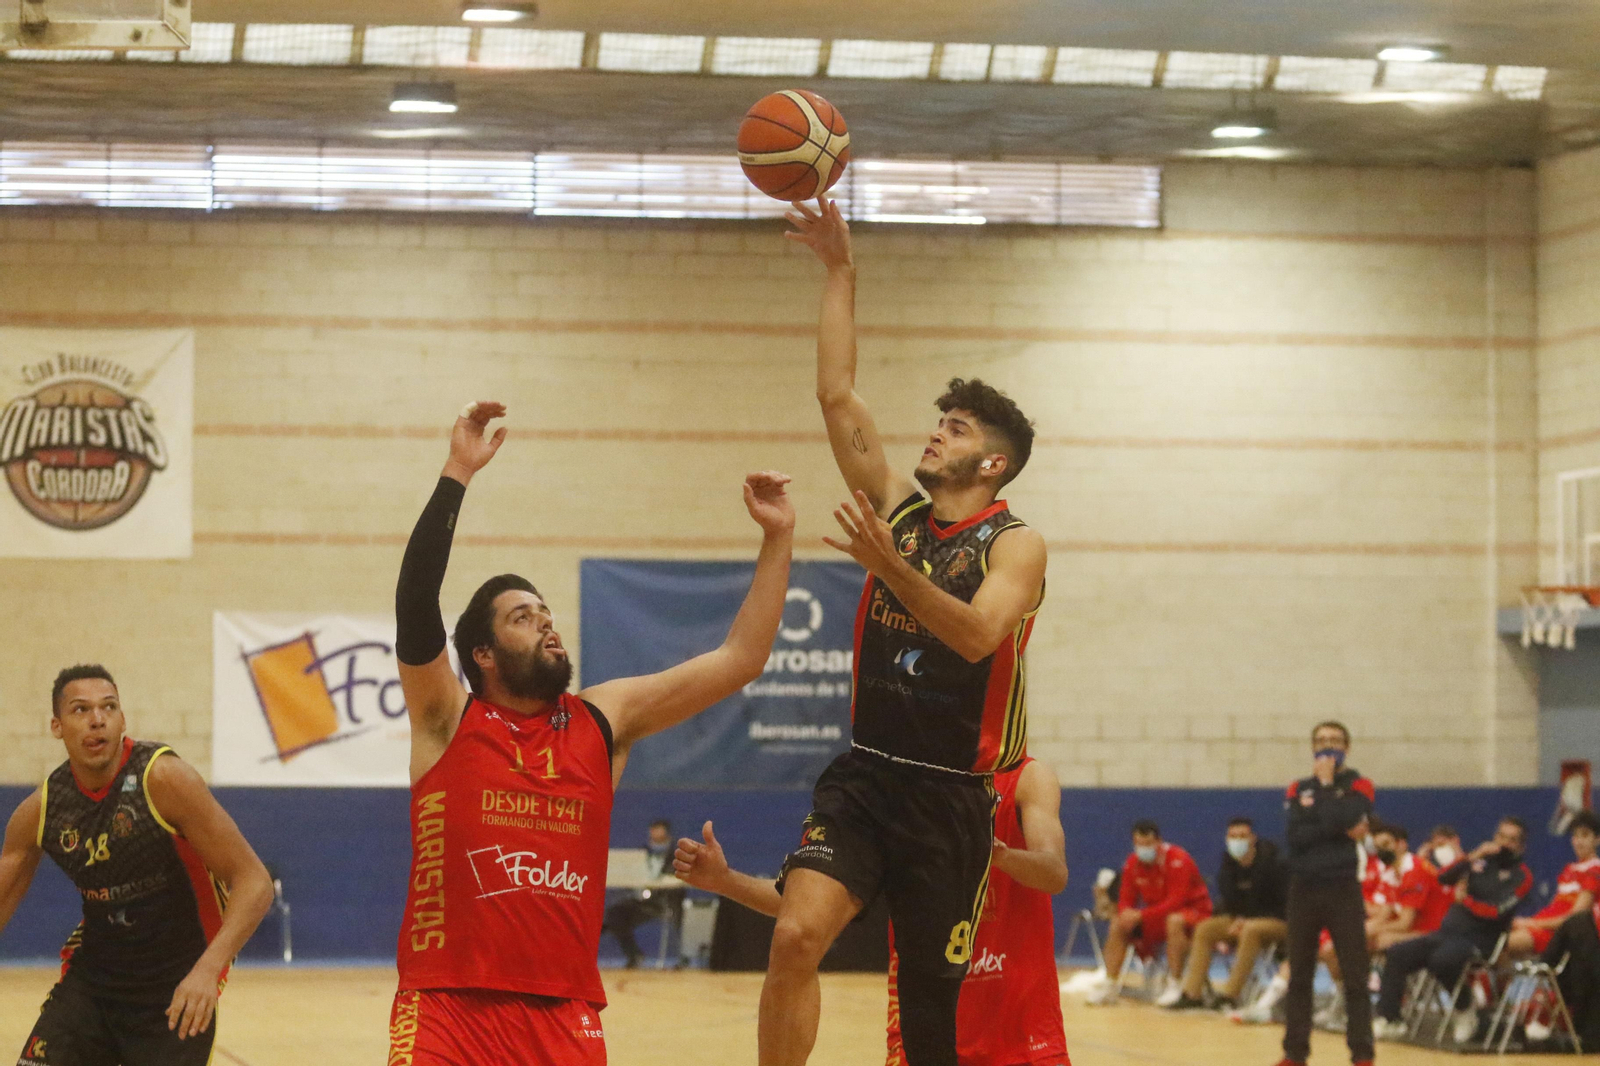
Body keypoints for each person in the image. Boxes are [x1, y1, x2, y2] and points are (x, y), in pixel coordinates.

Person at [388, 401, 795, 1066]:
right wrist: (457, 472)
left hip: (565, 1013)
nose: (546, 622)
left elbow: (740, 659)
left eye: (546, 611)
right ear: (483, 655)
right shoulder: (447, 719)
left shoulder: (602, 719)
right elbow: (414, 607)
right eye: (523, 617)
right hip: (447, 1007)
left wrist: (777, 539)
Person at [764, 199, 1048, 1066]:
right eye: (940, 420)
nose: (936, 432)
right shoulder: (904, 511)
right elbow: (835, 393)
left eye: (956, 428)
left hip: (951, 803)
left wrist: (890, 569)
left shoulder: (1016, 543)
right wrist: (839, 271)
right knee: (793, 939)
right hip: (866, 779)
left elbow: (977, 638)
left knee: (928, 1026)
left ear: (990, 463)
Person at [674, 757, 1072, 1066]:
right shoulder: (893, 798)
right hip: (922, 1037)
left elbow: (1054, 874)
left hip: (1025, 1037)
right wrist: (725, 881)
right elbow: (806, 910)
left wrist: (998, 855)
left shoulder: (1027, 777)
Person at [0, 665, 275, 1066]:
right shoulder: (42, 811)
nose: (97, 719)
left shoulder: (163, 779)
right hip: (93, 984)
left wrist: (207, 972)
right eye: (81, 710)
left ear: (122, 719)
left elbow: (254, 882)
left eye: (108, 707)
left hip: (177, 987)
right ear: (57, 727)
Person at [1372, 816, 1534, 1044]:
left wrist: (1464, 901)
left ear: (1520, 846)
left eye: (1511, 839)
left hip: (1482, 939)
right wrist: (1472, 856)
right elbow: (1443, 877)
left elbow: (1496, 911)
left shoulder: (1522, 876)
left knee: (1442, 959)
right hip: (1448, 932)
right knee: (1398, 953)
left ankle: (1466, 1009)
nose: (1503, 843)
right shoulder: (1480, 863)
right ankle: (1390, 1020)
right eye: (1500, 836)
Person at [1274, 720, 1375, 1066]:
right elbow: (1297, 837)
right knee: (1299, 974)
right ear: (1312, 746)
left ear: (1346, 746)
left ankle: (1362, 1054)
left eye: (1334, 739)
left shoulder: (1360, 784)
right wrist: (1339, 825)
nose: (1327, 745)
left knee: (1355, 975)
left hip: (1342, 887)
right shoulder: (1296, 787)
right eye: (1320, 740)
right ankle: (1294, 1053)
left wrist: (1328, 788)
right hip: (1304, 887)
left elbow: (1347, 818)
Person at [1087, 820, 1212, 1006]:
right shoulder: (1132, 863)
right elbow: (1125, 899)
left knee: (1174, 921)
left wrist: (1141, 915)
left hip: (1194, 915)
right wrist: (1126, 914)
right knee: (1118, 923)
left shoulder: (1179, 859)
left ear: (1159, 842)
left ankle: (1175, 985)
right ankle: (1110, 984)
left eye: (1148, 844)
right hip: (1158, 917)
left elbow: (1175, 902)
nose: (1143, 848)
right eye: (1139, 844)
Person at [1168, 816, 1287, 1011]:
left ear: (1253, 838)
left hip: (1278, 922)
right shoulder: (1228, 864)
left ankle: (1229, 995)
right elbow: (1229, 900)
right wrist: (1236, 918)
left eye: (1242, 836)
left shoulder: (1274, 863)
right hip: (1242, 918)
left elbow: (1283, 905)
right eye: (1233, 836)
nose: (1237, 841)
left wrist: (1245, 920)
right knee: (1206, 929)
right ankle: (1192, 993)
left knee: (1250, 929)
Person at [1506, 809, 1600, 957]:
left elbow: (1575, 920)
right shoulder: (1569, 869)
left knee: (1504, 944)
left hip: (1560, 936)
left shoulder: (1595, 870)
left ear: (1597, 839)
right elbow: (1556, 906)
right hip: (1544, 926)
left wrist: (1530, 923)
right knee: (1494, 939)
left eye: (1585, 835)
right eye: (1575, 835)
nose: (1578, 841)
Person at [603, 818, 686, 968]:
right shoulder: (643, 853)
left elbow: (677, 879)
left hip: (663, 901)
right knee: (615, 914)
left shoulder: (677, 854)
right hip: (642, 900)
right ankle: (634, 955)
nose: (654, 833)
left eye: (658, 829)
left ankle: (682, 958)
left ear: (666, 832)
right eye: (652, 829)